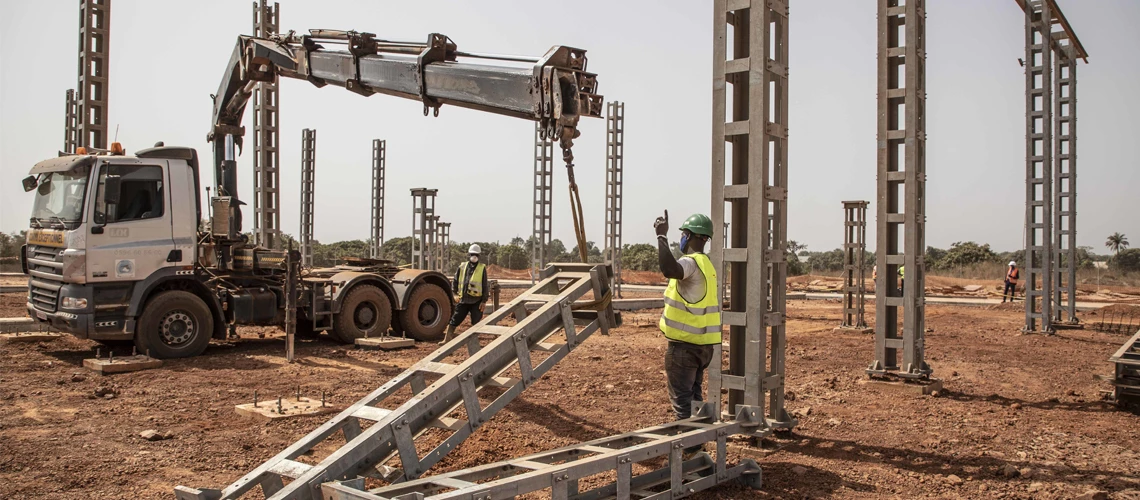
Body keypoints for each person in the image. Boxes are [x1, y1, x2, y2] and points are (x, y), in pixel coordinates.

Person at [653, 210, 721, 426]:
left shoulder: (690, 263)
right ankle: (698, 447)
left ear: (690, 236)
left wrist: (661, 236)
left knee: (683, 403)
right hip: (702, 347)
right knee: (694, 400)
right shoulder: (707, 264)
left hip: (684, 348)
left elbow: (669, 268)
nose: (681, 238)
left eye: (683, 233)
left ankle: (690, 451)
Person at [443, 244, 489, 343]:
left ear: (479, 256)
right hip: (463, 300)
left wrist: (484, 301)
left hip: (476, 301)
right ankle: (447, 340)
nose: (474, 256)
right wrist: (454, 294)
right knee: (455, 320)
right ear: (469, 255)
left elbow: (485, 285)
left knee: (476, 323)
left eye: (476, 254)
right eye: (472, 254)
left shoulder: (481, 268)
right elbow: (455, 281)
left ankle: (474, 342)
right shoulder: (462, 267)